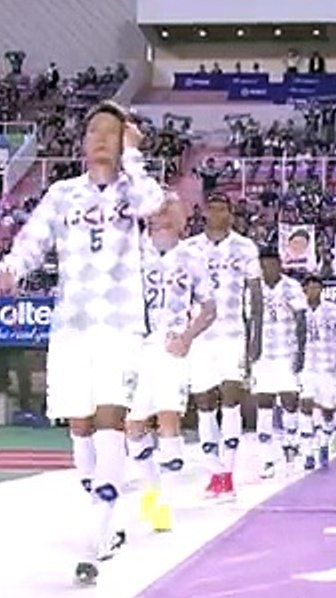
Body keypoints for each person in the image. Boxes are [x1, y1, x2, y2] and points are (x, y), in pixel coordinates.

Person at [0, 99, 164, 582]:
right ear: (83, 142)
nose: (101, 139)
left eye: (111, 132)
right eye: (94, 132)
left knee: (111, 419)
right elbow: (31, 241)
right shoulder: (62, 194)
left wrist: (133, 155)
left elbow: (156, 205)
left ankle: (100, 531)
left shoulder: (134, 192)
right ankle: (100, 506)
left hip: (122, 325)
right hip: (71, 325)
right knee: (82, 426)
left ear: (124, 139)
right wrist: (9, 269)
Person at [126, 193, 216, 533]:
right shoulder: (132, 254)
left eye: (169, 212)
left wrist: (188, 336)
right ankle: (151, 495)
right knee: (133, 426)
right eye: (157, 212)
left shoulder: (192, 259)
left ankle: (164, 506)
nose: (162, 218)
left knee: (168, 419)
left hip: (171, 348)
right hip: (136, 349)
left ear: (181, 219)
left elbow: (209, 308)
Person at [183, 192, 262, 500]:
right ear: (204, 212)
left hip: (232, 333)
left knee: (230, 401)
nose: (217, 213)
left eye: (222, 209)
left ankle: (228, 474)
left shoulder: (245, 247)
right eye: (212, 208)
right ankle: (214, 471)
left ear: (231, 213)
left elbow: (255, 296)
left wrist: (255, 340)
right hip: (200, 335)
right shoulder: (189, 249)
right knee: (203, 404)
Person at [251, 245, 309, 478]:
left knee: (289, 402)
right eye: (263, 265)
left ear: (279, 265)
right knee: (264, 404)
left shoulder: (292, 287)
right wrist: (249, 350)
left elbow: (301, 320)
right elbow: (251, 319)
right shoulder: (255, 288)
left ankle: (290, 451)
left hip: (287, 353)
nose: (267, 269)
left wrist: (301, 352)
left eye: (271, 264)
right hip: (264, 354)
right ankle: (266, 459)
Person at [300, 275, 336, 470]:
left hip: (329, 368)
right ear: (304, 289)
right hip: (306, 367)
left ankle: (323, 444)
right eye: (310, 287)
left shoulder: (332, 309)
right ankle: (307, 452)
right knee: (305, 407)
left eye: (317, 287)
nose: (314, 291)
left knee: (326, 411)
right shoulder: (299, 309)